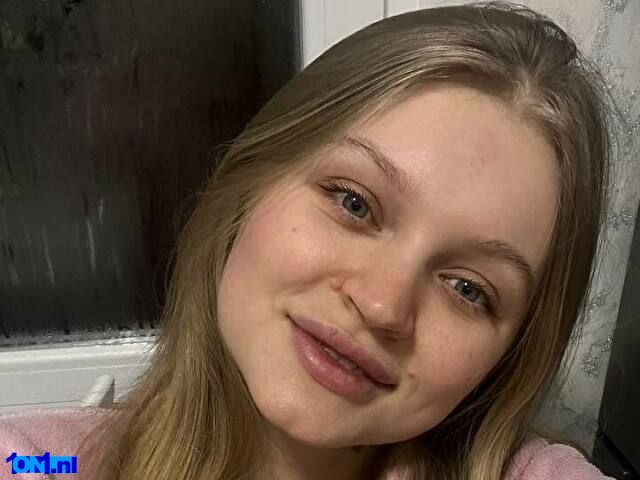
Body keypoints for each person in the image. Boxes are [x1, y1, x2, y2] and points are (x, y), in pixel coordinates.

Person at [0, 2, 616, 479]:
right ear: (249, 183)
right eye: (354, 203)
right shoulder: (46, 461)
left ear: (506, 359)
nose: (382, 304)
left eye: (467, 288)